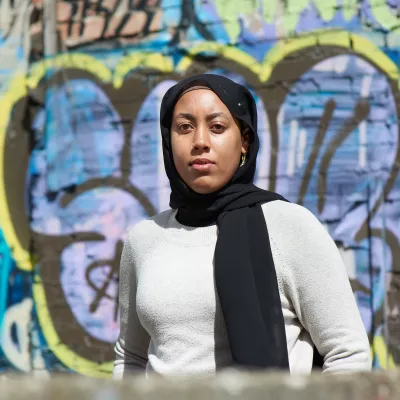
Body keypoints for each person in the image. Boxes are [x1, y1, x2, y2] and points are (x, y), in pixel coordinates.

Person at [113, 74, 372, 378]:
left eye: (217, 127)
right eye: (184, 127)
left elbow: (347, 355)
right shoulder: (145, 240)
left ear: (244, 141)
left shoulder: (289, 226)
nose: (200, 142)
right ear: (169, 140)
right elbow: (130, 358)